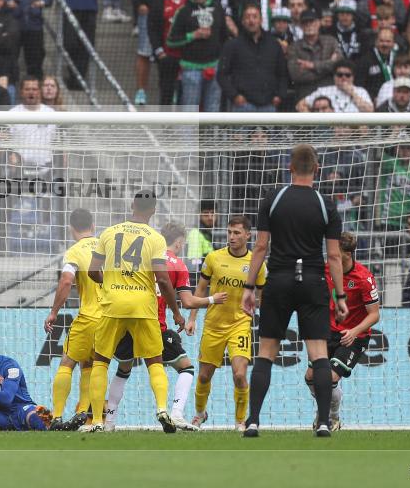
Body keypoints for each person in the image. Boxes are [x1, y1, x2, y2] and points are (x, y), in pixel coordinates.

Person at [241, 144, 347, 438]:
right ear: (317, 169)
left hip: (279, 280)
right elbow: (334, 255)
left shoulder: (273, 198)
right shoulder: (326, 204)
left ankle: (253, 421)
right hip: (313, 281)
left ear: (290, 168)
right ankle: (324, 422)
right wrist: (340, 295)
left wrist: (249, 287)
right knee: (319, 353)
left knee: (266, 352)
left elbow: (260, 247)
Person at [102, 221, 225, 432]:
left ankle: (109, 422)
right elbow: (188, 301)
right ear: (179, 243)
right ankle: (175, 413)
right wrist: (212, 299)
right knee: (185, 367)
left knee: (123, 369)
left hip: (125, 319)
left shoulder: (144, 256)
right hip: (152, 324)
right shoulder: (177, 265)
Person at [86, 190, 185, 433]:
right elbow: (163, 279)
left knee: (101, 361)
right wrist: (175, 311)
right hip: (143, 307)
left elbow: (92, 271)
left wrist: (109, 283)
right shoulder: (156, 238)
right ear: (153, 210)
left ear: (132, 205)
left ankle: (97, 421)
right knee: (155, 361)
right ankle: (162, 409)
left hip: (113, 304)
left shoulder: (109, 233)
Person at [188, 215, 267, 431]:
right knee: (204, 376)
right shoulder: (214, 258)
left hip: (240, 324)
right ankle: (199, 413)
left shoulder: (256, 264)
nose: (231, 237)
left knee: (240, 374)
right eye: (229, 232)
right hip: (213, 325)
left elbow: (262, 295)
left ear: (248, 235)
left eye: (237, 233)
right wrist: (192, 318)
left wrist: (258, 308)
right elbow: (200, 289)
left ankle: (240, 421)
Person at [304, 232, 380, 431]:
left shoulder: (364, 278)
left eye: (335, 253)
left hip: (353, 337)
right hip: (326, 332)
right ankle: (326, 408)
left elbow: (374, 315)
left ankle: (331, 416)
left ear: (347, 254)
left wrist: (354, 331)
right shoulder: (325, 269)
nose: (330, 256)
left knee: (329, 377)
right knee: (311, 377)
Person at [44, 208, 100, 431]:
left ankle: (57, 416)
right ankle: (82, 412)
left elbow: (66, 281)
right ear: (93, 225)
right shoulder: (107, 247)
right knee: (91, 364)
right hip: (110, 318)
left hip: (89, 316)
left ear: (71, 228)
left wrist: (53, 312)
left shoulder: (74, 252)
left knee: (67, 363)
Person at [217, 4, 287, 112]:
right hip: (242, 105)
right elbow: (222, 75)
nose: (251, 20)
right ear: (242, 21)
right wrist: (234, 95)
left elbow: (282, 73)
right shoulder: (232, 45)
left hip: (269, 104)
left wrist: (280, 95)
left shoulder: (274, 44)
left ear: (261, 20)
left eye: (255, 17)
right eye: (247, 17)